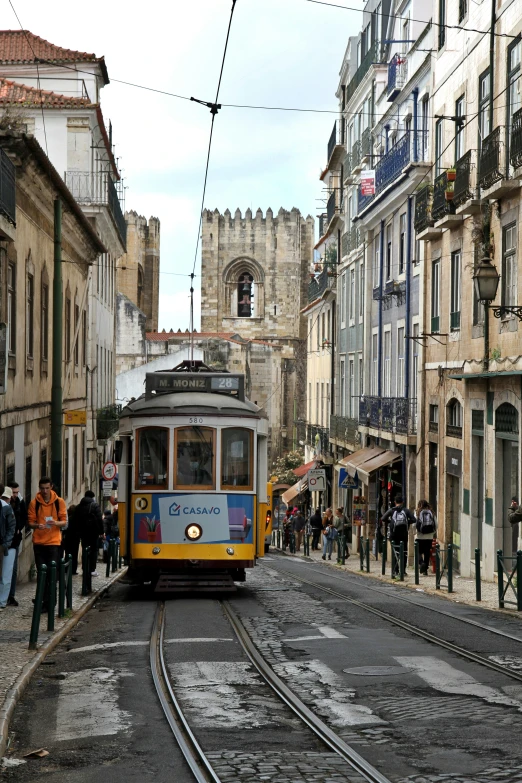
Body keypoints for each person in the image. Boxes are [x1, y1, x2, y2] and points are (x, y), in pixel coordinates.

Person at [27, 477, 67, 610]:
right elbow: (30, 523)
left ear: (51, 487)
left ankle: (51, 601)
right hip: (39, 543)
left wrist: (55, 523)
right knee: (41, 572)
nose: (44, 491)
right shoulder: (34, 503)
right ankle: (42, 601)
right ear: (39, 488)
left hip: (54, 542)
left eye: (47, 488)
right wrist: (37, 526)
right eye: (42, 488)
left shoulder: (59, 502)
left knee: (52, 573)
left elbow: (64, 521)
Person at [382, 495, 415, 576]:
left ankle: (395, 571)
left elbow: (383, 518)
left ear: (395, 502)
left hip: (394, 535)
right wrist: (407, 522)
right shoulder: (406, 511)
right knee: (404, 552)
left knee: (395, 553)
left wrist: (391, 521)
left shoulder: (392, 510)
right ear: (402, 502)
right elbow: (414, 519)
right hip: (403, 535)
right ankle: (403, 571)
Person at [7, 482, 27, 606]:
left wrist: (19, 527)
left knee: (13, 569)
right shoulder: (6, 502)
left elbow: (24, 516)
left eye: (17, 492)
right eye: (13, 492)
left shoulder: (20, 501)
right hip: (6, 540)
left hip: (15, 541)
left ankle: (11, 595)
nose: (15, 495)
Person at [75, 490, 104, 576]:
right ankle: (92, 569)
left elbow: (76, 520)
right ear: (92, 497)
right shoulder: (95, 505)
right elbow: (99, 519)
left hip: (83, 533)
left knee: (85, 550)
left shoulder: (79, 506)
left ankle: (84, 568)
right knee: (94, 550)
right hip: (93, 532)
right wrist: (101, 532)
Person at [0, 486, 16, 609]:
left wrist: (6, 543)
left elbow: (12, 527)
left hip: (5, 545)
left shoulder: (6, 508)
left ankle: (2, 601)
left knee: (5, 575)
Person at [415, 499, 436, 575]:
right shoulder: (432, 513)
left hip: (420, 536)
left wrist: (416, 532)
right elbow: (436, 524)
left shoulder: (417, 512)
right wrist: (433, 533)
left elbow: (415, 525)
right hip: (429, 536)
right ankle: (425, 570)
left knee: (418, 552)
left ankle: (421, 563)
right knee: (427, 553)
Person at [64, 504, 80, 574]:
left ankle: (66, 568)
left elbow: (65, 529)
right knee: (74, 554)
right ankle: (73, 570)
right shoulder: (77, 519)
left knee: (68, 554)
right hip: (75, 539)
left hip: (68, 539)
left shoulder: (67, 519)